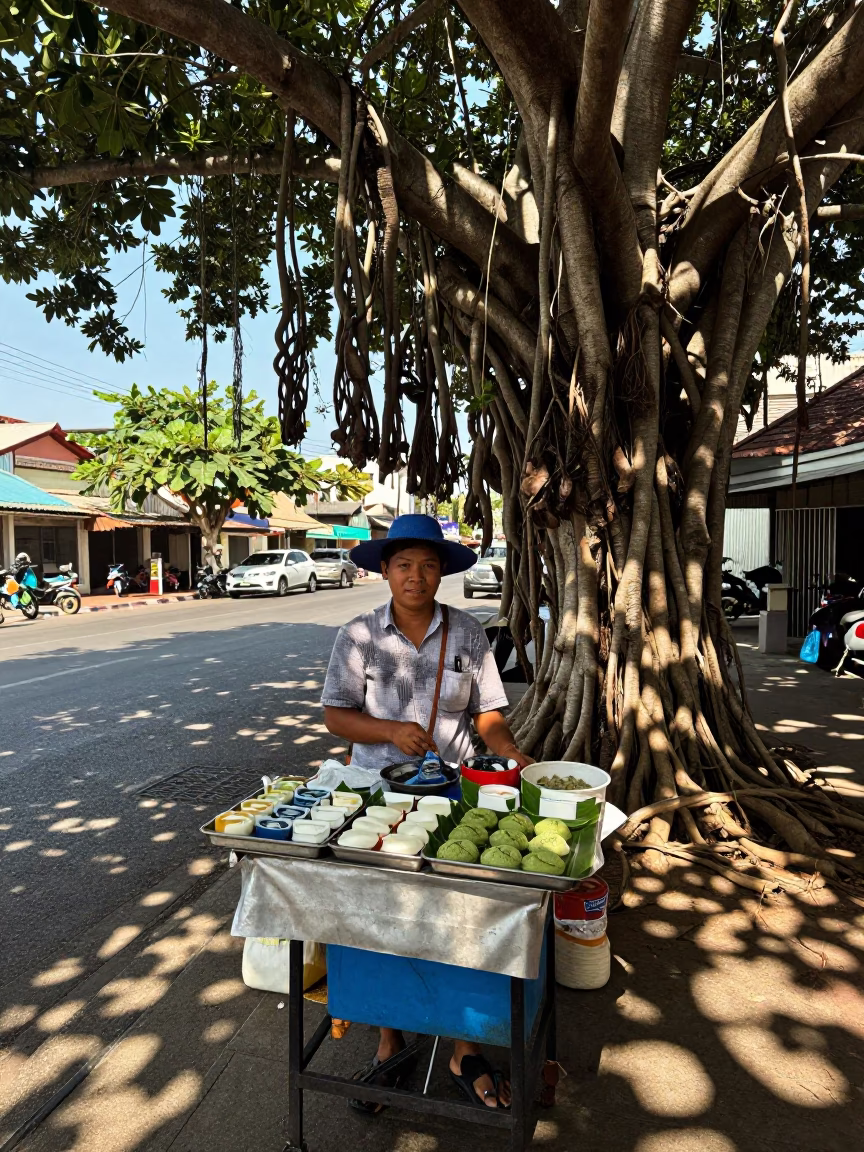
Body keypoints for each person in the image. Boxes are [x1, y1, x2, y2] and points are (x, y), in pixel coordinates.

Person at [321, 513, 535, 1114]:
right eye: (404, 565)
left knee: (451, 915)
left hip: (451, 793)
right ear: (385, 571)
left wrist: (512, 753)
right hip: (377, 796)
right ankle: (390, 1036)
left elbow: (488, 713)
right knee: (379, 914)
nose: (416, 576)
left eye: (428, 565)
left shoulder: (468, 633)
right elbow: (337, 714)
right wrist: (388, 728)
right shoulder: (357, 635)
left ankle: (461, 1045)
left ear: (442, 572)